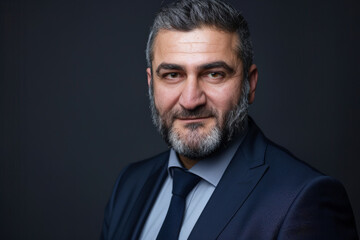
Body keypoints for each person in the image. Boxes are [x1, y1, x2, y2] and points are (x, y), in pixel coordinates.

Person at [100, 0, 358, 239]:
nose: (191, 100)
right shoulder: (129, 185)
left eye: (214, 74)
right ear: (151, 84)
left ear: (250, 84)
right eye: (172, 75)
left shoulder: (304, 199)